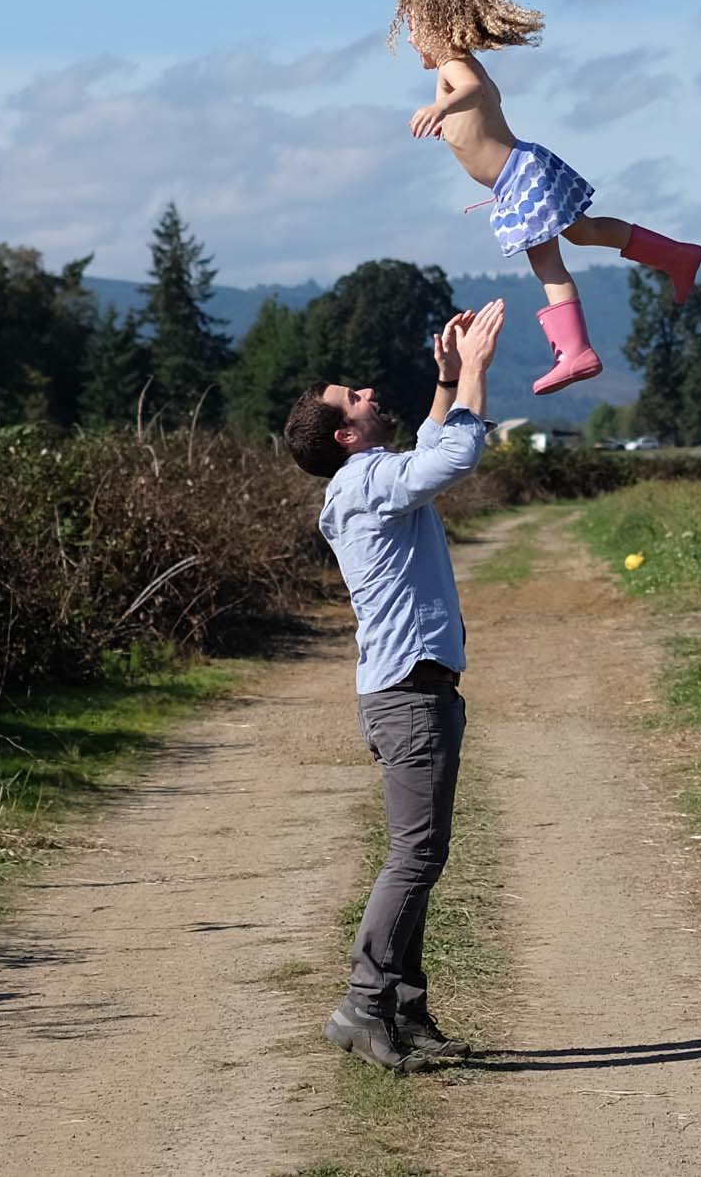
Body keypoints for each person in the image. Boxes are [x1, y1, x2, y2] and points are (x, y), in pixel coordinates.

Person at [282, 295, 508, 1073]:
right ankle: (363, 1001)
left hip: (410, 692)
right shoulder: (363, 481)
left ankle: (404, 1009)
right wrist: (475, 369)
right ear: (346, 433)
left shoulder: (368, 481)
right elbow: (451, 460)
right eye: (355, 397)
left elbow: (425, 454)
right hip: (410, 696)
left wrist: (445, 383)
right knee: (416, 855)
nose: (370, 391)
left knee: (419, 852)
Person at [390, 0, 701, 396]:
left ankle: (575, 351)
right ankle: (677, 257)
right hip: (524, 170)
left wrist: (440, 106)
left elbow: (470, 89)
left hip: (518, 179)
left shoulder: (455, 67)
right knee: (585, 232)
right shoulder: (452, 69)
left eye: (414, 29)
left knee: (548, 264)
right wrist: (447, 117)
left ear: (440, 26)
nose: (410, 40)